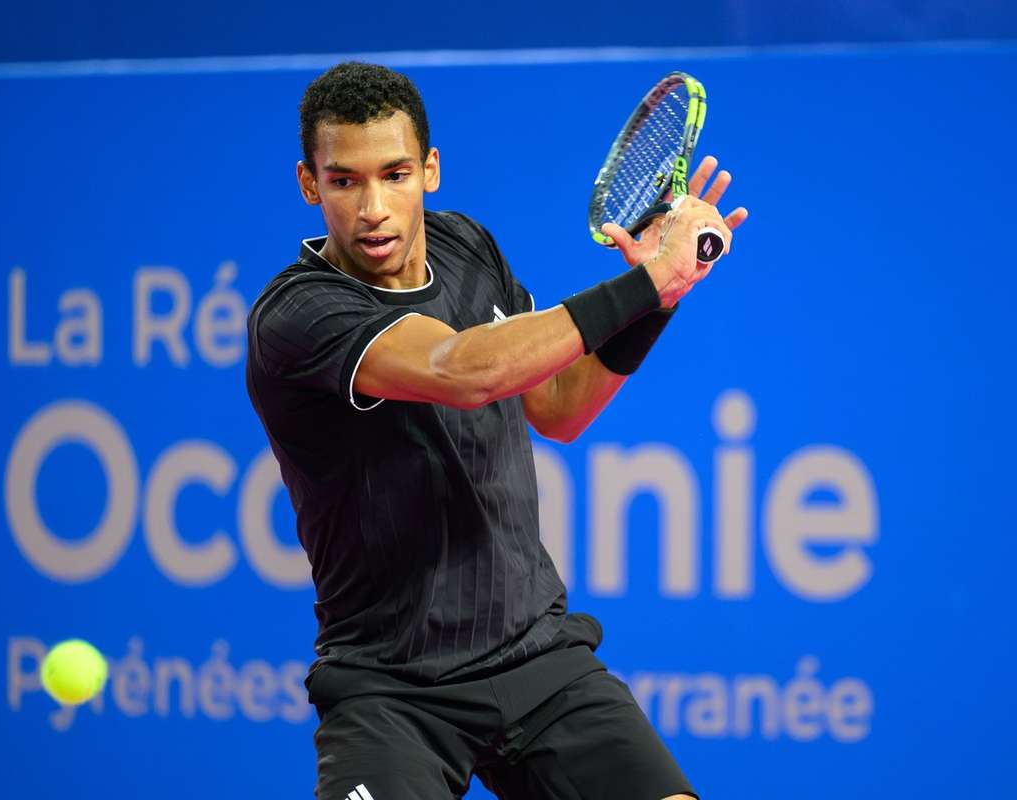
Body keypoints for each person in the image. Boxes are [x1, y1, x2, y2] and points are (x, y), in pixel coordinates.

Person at [245, 62, 748, 800]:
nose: (373, 207)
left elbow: (560, 408)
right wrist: (644, 283)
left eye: (395, 174)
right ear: (309, 184)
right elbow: (462, 370)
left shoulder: (467, 248)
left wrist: (662, 299)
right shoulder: (297, 315)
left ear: (431, 170)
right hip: (393, 687)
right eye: (345, 181)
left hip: (535, 657)